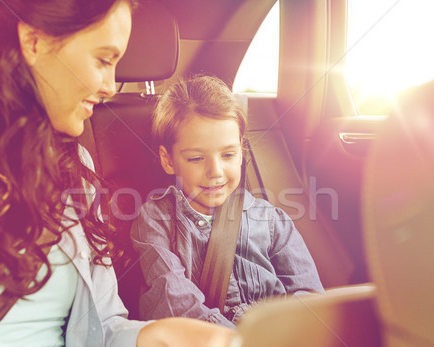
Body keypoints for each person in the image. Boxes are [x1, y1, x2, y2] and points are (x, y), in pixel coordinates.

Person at [0, 1, 310, 347]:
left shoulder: (72, 168)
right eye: (102, 59)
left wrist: (155, 339)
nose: (111, 85)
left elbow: (102, 327)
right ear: (35, 42)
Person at [131, 75, 324, 328]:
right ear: (168, 160)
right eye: (197, 158)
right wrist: (237, 344)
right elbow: (172, 297)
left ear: (242, 152)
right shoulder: (157, 220)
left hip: (277, 337)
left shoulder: (271, 220)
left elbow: (308, 295)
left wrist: (287, 334)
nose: (216, 171)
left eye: (228, 155)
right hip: (205, 343)